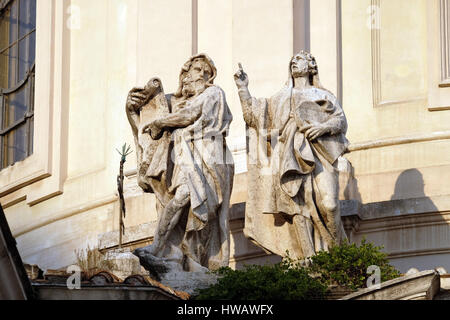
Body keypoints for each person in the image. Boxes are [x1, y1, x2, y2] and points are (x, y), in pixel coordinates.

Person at [126, 54, 234, 275]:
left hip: (210, 159)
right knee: (185, 197)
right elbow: (149, 129)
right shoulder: (176, 102)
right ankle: (159, 247)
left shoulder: (214, 93)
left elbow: (190, 115)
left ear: (209, 75)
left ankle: (193, 259)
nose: (196, 74)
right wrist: (132, 111)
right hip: (186, 159)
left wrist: (161, 122)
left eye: (202, 70)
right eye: (193, 70)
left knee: (203, 209)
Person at [234, 51, 348, 259]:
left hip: (319, 153)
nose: (295, 62)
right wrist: (243, 89)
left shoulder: (322, 95)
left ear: (312, 66)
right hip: (288, 154)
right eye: (293, 60)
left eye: (301, 59)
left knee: (330, 204)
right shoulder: (279, 98)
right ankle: (308, 258)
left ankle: (339, 257)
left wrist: (323, 128)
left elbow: (340, 121)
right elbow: (253, 117)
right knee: (297, 205)